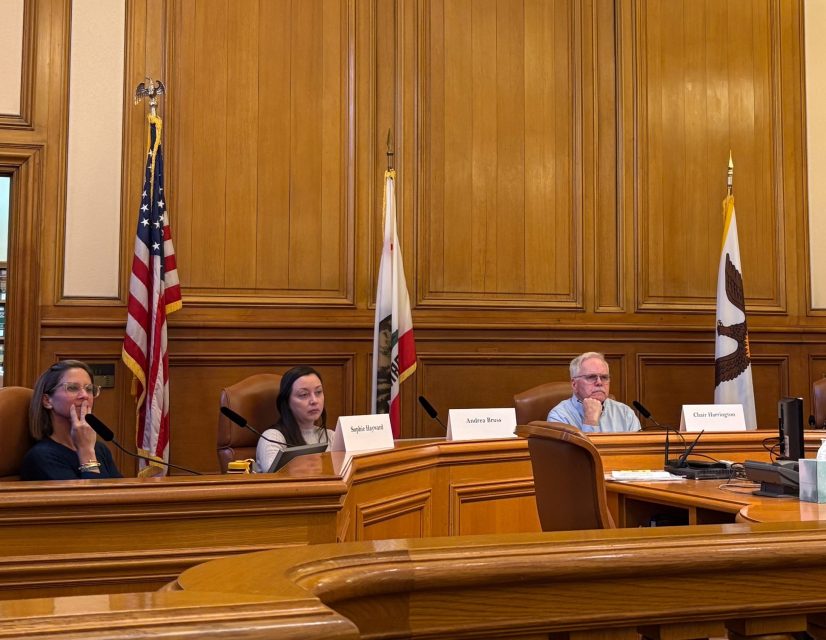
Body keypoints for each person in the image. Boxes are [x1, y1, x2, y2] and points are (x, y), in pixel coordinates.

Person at [20, 360, 123, 480]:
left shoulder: (99, 449)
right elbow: (91, 498)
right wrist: (86, 452)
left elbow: (119, 494)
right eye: (73, 388)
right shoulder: (40, 457)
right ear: (47, 401)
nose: (84, 395)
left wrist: (88, 449)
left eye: (89, 389)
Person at [255, 366, 335, 472]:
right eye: (304, 394)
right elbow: (275, 478)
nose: (314, 400)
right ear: (287, 402)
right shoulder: (272, 438)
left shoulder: (331, 436)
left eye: (318, 392)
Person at [547, 352, 641, 433]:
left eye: (604, 377)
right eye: (591, 377)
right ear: (574, 384)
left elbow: (639, 451)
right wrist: (590, 421)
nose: (599, 382)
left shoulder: (625, 413)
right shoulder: (559, 416)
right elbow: (576, 454)